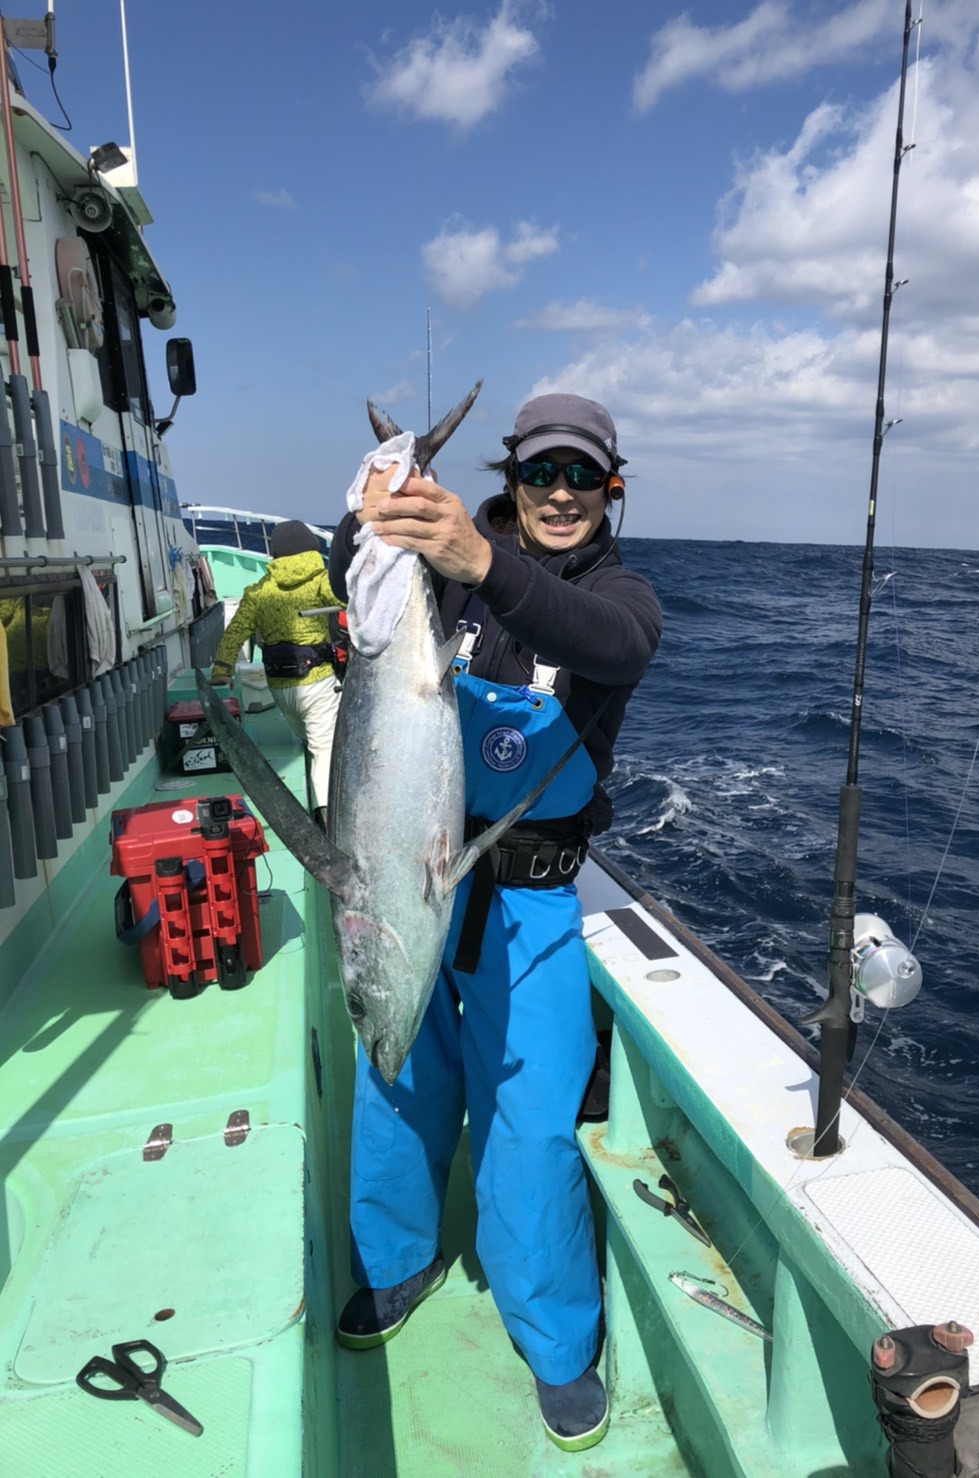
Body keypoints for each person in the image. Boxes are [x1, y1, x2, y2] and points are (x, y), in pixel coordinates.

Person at [327, 393, 662, 1452]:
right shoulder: (437, 562)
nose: (559, 495)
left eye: (582, 477)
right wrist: (371, 511)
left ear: (609, 489)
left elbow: (609, 644)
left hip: (527, 905)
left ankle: (555, 1339)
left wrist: (482, 561)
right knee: (397, 1082)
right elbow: (360, 569)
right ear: (510, 476)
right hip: (407, 871)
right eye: (540, 474)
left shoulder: (616, 595)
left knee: (528, 1136)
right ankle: (396, 1260)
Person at [210, 519, 341, 824]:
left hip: (280, 687)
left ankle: (312, 806)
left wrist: (222, 670)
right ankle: (328, 820)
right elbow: (350, 602)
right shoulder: (322, 581)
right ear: (312, 549)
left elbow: (235, 633)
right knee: (324, 750)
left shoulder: (259, 591)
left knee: (308, 744)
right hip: (319, 682)